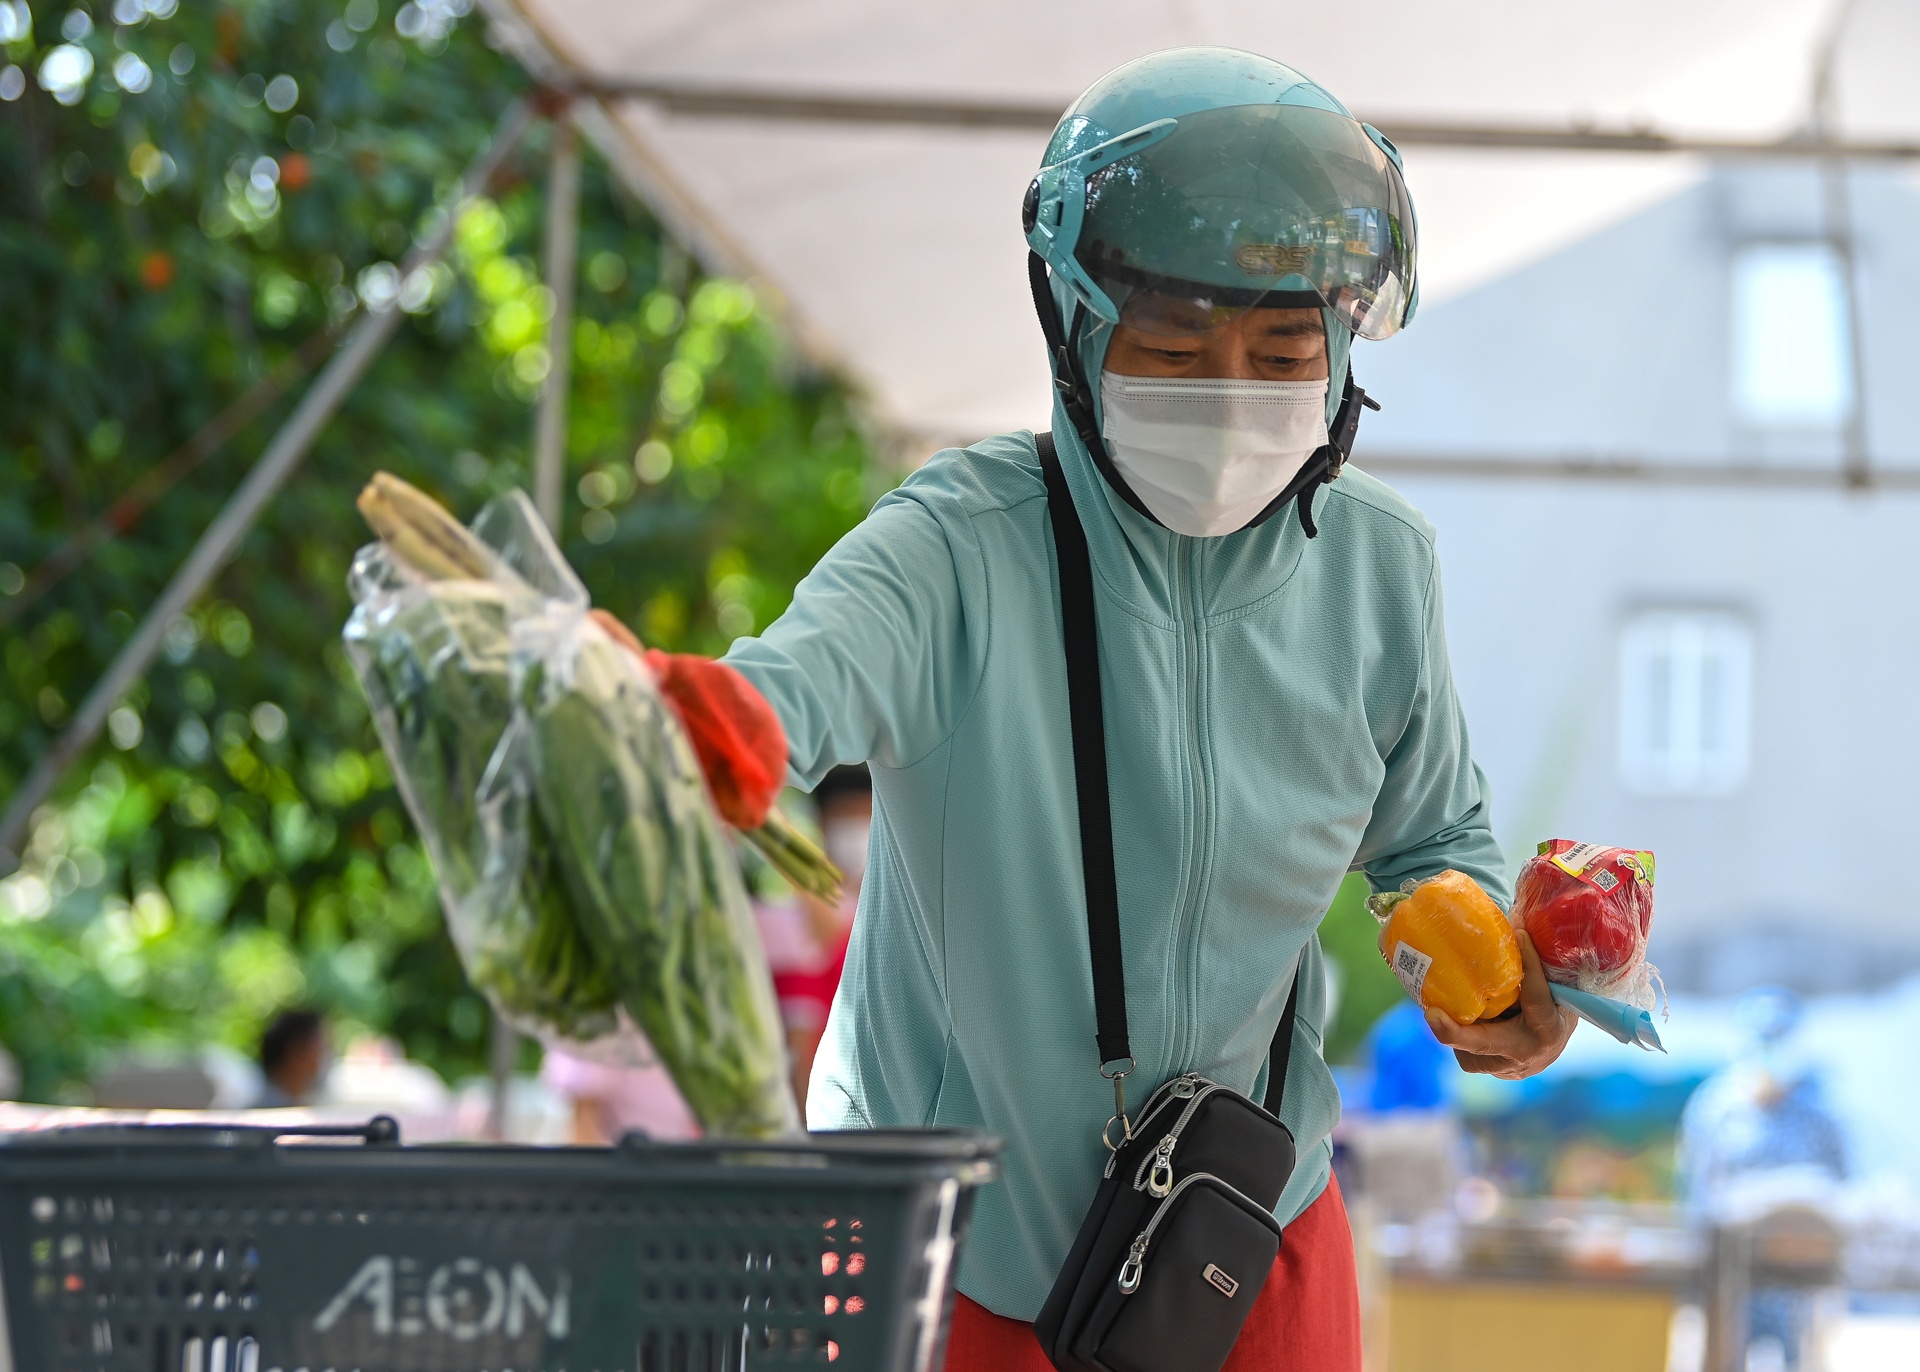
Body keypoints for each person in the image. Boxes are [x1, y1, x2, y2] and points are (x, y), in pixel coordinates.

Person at [600, 46, 1575, 1370]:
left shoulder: (1379, 567)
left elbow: (1428, 851)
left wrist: (1483, 983)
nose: (1232, 399)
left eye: (1282, 351)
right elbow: (785, 694)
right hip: (947, 1254)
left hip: (1243, 1241)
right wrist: (668, 724)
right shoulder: (960, 543)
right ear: (1073, 330)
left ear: (1346, 350)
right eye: (1175, 350)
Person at [754, 764, 871, 1103]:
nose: (856, 833)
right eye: (845, 818)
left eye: (866, 817)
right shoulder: (778, 921)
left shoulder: (907, 915)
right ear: (822, 824)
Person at [253, 1009, 326, 1108]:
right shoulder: (267, 1112)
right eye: (320, 1044)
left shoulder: (294, 1104)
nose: (324, 1053)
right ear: (295, 1050)